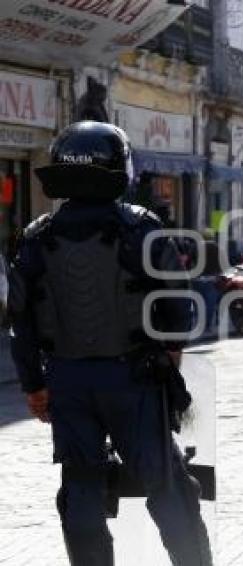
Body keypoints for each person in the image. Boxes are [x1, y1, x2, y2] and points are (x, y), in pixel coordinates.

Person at [7, 121, 212, 565]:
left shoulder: (36, 237)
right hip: (135, 377)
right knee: (167, 487)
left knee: (80, 489)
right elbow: (178, 302)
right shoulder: (141, 228)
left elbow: (19, 322)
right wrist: (171, 355)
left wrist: (33, 386)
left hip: (68, 380)